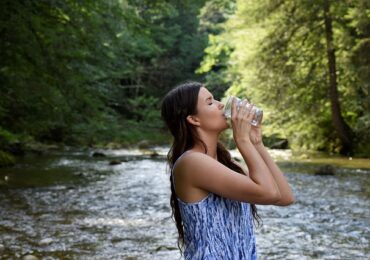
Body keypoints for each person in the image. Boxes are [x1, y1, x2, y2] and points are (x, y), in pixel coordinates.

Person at [161, 81, 295, 259]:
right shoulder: (192, 162)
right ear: (194, 119)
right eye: (210, 102)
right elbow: (268, 193)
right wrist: (242, 140)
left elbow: (284, 197)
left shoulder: (225, 163)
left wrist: (256, 143)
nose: (221, 105)